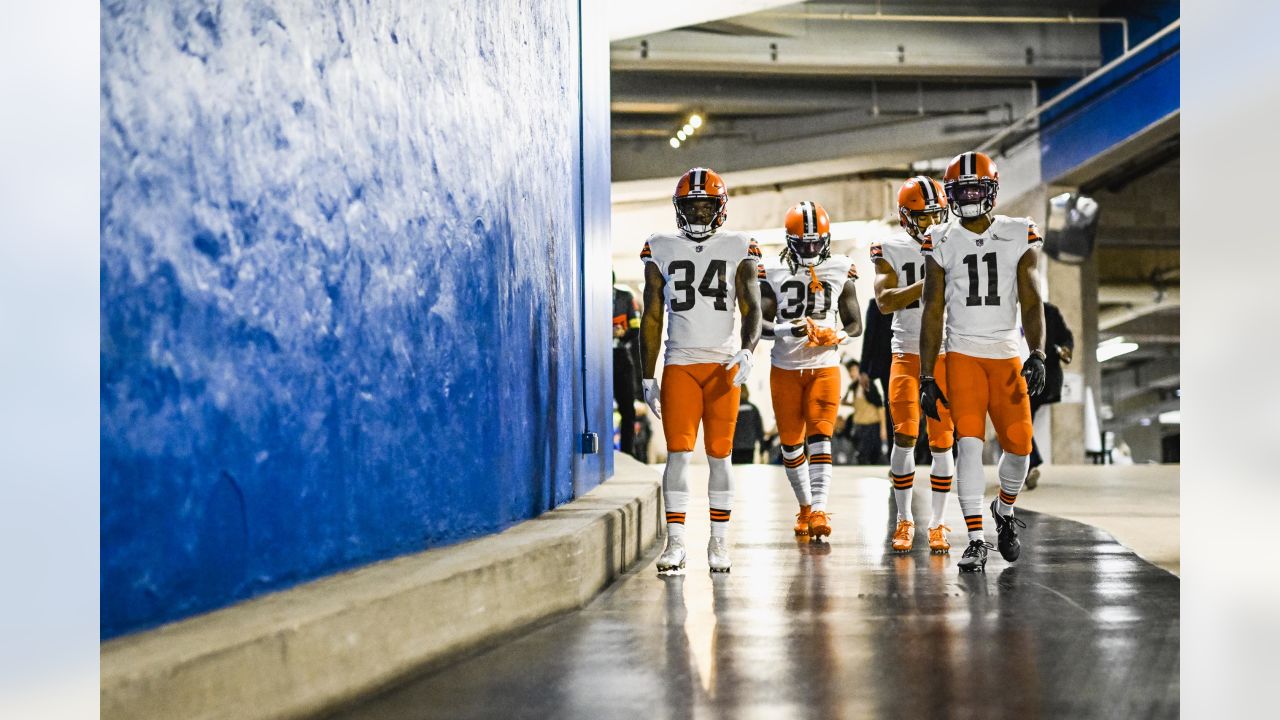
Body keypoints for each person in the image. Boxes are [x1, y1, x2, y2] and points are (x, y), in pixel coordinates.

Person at [918, 150, 1047, 573]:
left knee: (1020, 447)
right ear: (951, 195)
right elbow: (933, 308)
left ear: (991, 191)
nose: (969, 197)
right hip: (962, 354)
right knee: (968, 445)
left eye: (976, 189)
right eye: (961, 190)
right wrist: (925, 374)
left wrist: (1038, 351)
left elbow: (1031, 298)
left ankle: (1004, 511)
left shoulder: (1018, 231)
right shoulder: (940, 237)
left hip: (1007, 352)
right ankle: (975, 538)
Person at [640, 167, 763, 575]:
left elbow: (752, 308)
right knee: (677, 454)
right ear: (679, 208)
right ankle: (675, 544)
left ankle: (719, 543)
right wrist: (647, 373)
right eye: (691, 205)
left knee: (720, 457)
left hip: (723, 365)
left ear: (720, 207)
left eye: (705, 204)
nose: (697, 211)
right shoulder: (659, 246)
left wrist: (747, 351)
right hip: (680, 363)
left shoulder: (739, 245)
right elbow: (652, 316)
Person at [758, 201, 862, 540]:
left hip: (824, 366)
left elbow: (855, 322)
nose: (811, 250)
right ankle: (805, 506)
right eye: (803, 244)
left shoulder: (840, 266)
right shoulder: (772, 269)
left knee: (820, 437)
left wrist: (838, 335)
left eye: (817, 243)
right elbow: (758, 325)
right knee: (790, 445)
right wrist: (789, 329)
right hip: (785, 366)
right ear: (790, 241)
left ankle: (818, 509)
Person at [869, 176, 957, 554]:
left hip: (946, 353)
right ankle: (905, 518)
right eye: (922, 217)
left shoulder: (956, 243)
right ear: (906, 218)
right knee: (904, 435)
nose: (931, 223)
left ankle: (937, 523)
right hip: (906, 352)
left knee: (943, 442)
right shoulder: (889, 248)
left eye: (936, 215)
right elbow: (885, 301)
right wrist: (931, 283)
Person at [1025, 301, 1074, 489]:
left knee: (1019, 418)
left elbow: (1066, 337)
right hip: (1041, 376)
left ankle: (1031, 461)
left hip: (1039, 376)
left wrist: (1065, 350)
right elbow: (1066, 336)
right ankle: (1028, 463)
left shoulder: (1048, 312)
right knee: (1023, 419)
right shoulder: (1048, 311)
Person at [612, 271, 643, 457]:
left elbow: (635, 327)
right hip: (597, 359)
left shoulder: (625, 298)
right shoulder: (591, 298)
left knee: (627, 410)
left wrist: (622, 333)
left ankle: (627, 454)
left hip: (621, 356)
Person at [840, 360, 886, 466]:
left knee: (870, 456)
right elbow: (862, 405)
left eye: (854, 370)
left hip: (871, 427)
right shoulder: (855, 387)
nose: (852, 373)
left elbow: (879, 406)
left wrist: (883, 429)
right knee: (862, 456)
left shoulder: (867, 384)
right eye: (850, 371)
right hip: (860, 427)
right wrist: (847, 402)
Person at [731, 387, 766, 465]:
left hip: (735, 446)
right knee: (746, 469)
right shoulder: (753, 408)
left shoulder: (732, 408)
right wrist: (762, 447)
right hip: (749, 446)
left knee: (735, 470)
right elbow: (759, 428)